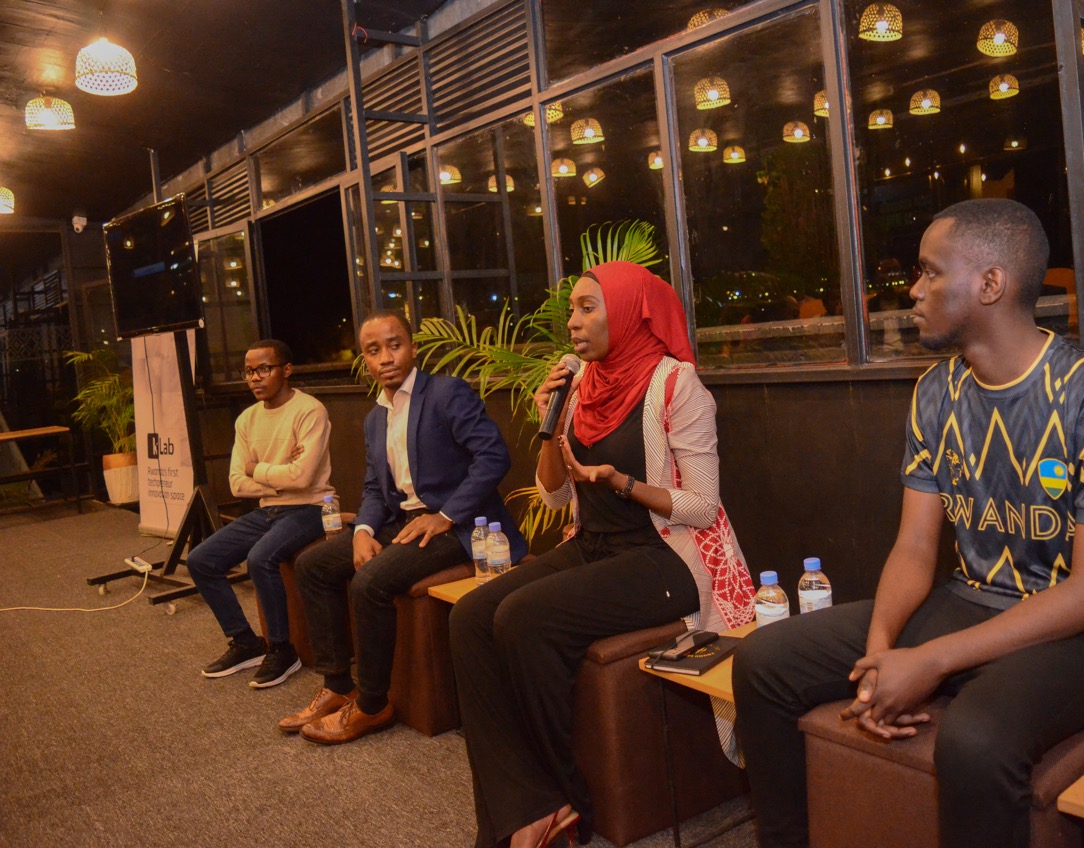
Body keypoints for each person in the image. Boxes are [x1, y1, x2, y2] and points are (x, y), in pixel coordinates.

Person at [732, 199, 1084, 848]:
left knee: (975, 737)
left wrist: (930, 660)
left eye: (930, 273)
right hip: (971, 601)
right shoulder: (936, 392)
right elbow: (914, 548)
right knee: (764, 660)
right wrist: (882, 649)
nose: (913, 290)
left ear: (991, 285)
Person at [450, 261, 756, 848]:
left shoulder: (675, 384)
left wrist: (622, 483)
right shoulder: (580, 385)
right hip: (593, 544)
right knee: (468, 618)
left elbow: (701, 506)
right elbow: (554, 492)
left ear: (630, 311)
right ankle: (532, 808)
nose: (573, 321)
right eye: (572, 309)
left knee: (523, 618)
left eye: (588, 306)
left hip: (666, 557)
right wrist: (550, 425)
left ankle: (564, 804)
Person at [280, 309, 526, 745]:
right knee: (313, 565)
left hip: (459, 527)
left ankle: (374, 705)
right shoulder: (376, 417)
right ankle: (339, 685)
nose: (386, 357)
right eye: (374, 350)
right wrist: (362, 531)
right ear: (365, 359)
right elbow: (375, 487)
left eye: (394, 345)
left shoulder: (447, 393)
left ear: (412, 347)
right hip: (402, 522)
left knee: (369, 582)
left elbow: (493, 458)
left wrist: (446, 514)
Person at [188, 339, 333, 688]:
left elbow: (306, 479)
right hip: (269, 510)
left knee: (260, 558)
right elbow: (237, 484)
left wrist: (259, 469)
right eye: (249, 371)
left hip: (311, 507)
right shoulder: (246, 419)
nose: (255, 378)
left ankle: (283, 650)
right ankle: (247, 643)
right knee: (200, 560)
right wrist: (281, 476)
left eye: (264, 369)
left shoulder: (310, 410)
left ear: (286, 370)